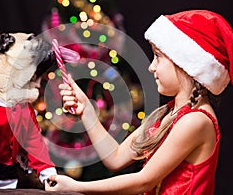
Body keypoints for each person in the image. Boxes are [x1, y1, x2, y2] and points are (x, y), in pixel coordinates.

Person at [45, 10, 233, 194]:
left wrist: (77, 187)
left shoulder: (196, 121)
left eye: (158, 57)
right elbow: (116, 158)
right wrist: (87, 111)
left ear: (186, 64)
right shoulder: (167, 113)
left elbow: (143, 181)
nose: (151, 67)